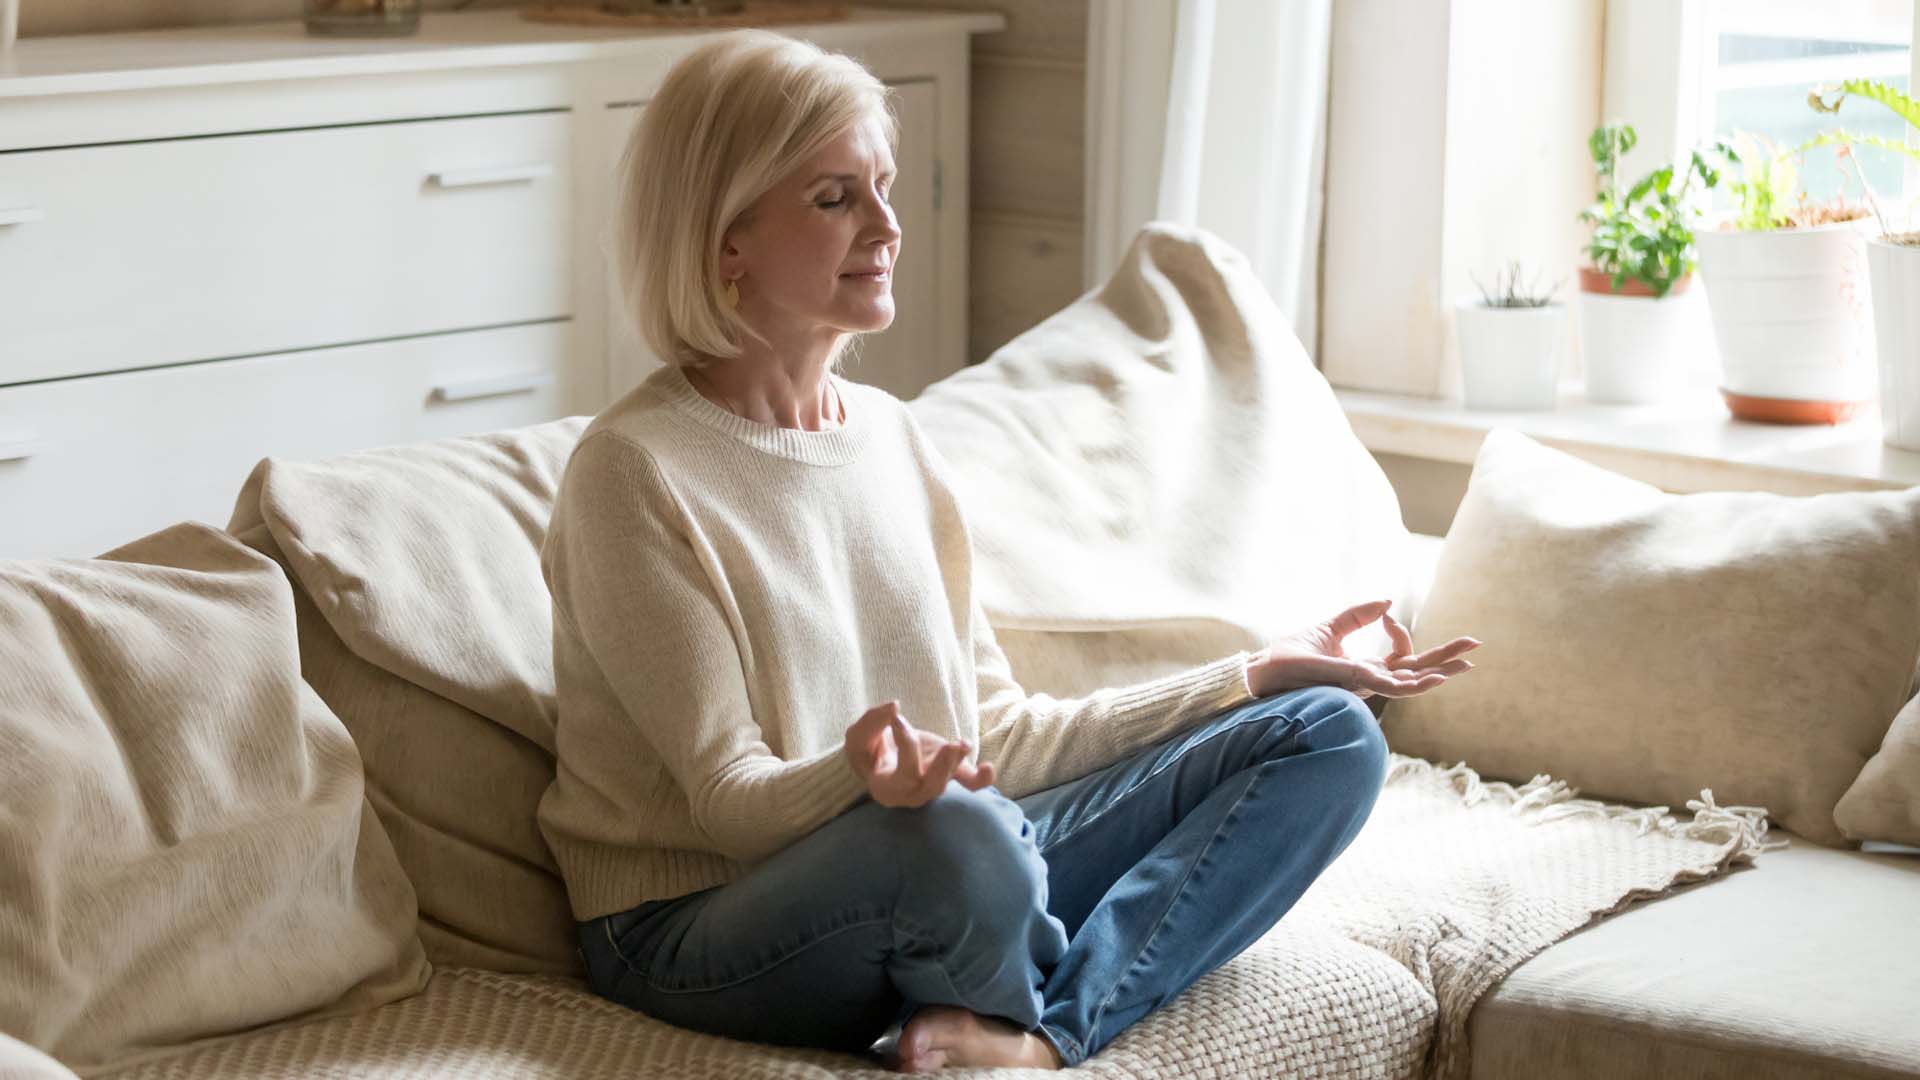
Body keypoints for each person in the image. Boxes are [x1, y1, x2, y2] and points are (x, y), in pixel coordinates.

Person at [538, 30, 1480, 1074]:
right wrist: (861, 777)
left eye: (885, 186)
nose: (889, 226)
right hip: (695, 921)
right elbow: (727, 798)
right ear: (727, 243)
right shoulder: (633, 471)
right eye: (835, 197)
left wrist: (1257, 670)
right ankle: (1007, 983)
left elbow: (1001, 733)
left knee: (1329, 736)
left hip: (935, 856)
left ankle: (1033, 1037)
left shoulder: (893, 438)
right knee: (961, 836)